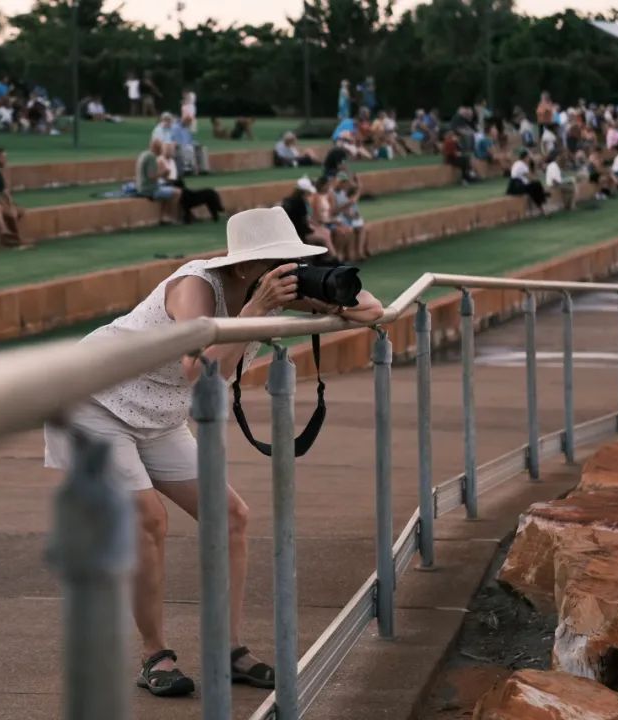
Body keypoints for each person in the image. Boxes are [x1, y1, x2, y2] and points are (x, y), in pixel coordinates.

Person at [43, 207, 383, 698]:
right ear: (244, 264)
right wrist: (253, 312)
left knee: (231, 517)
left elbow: (371, 309)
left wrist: (326, 289)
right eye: (274, 260)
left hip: (157, 416)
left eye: (290, 261)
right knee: (148, 520)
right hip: (94, 401)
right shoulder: (195, 287)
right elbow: (196, 368)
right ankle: (154, 655)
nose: (282, 270)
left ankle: (229, 648)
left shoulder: (268, 286)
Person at [281, 177, 338, 259]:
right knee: (324, 237)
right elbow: (302, 224)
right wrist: (312, 230)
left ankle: (330, 258)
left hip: (294, 231)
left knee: (325, 232)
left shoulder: (289, 200)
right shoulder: (300, 203)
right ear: (304, 191)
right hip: (299, 234)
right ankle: (334, 259)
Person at [332, 172, 368, 261]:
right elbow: (334, 210)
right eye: (342, 182)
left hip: (345, 217)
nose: (344, 184)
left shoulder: (343, 192)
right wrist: (347, 207)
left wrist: (352, 214)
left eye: (344, 182)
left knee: (361, 227)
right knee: (348, 230)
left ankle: (359, 252)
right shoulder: (332, 193)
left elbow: (349, 205)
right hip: (338, 218)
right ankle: (343, 255)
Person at [136, 138, 183, 206]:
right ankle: (171, 215)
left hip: (141, 187)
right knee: (178, 192)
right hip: (149, 190)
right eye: (161, 149)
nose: (161, 151)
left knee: (168, 189)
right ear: (157, 149)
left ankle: (164, 214)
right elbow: (151, 176)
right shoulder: (151, 157)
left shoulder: (144, 154)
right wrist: (163, 173)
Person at [506, 148, 548, 215]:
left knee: (534, 188)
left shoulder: (518, 163)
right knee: (536, 185)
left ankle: (542, 208)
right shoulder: (521, 165)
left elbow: (529, 177)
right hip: (516, 186)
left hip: (516, 186)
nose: (529, 159)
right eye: (528, 157)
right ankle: (543, 201)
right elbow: (531, 177)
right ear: (525, 157)